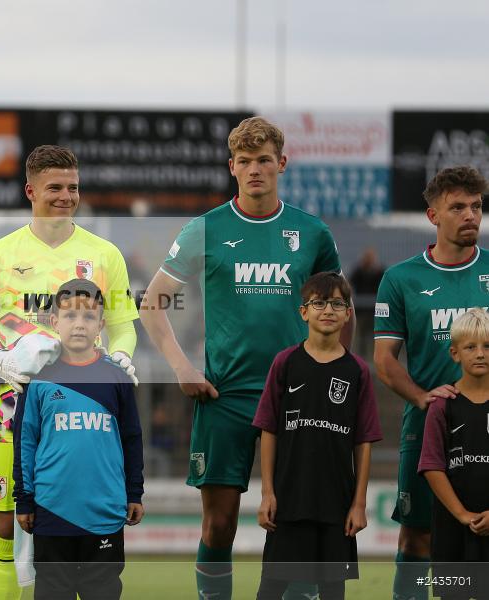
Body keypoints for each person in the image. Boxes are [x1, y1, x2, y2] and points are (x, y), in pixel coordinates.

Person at [139, 116, 351, 600]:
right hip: (226, 395)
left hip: (299, 396)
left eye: (264, 160)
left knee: (295, 524)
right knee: (218, 525)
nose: (255, 169)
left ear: (282, 163)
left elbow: (340, 307)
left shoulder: (311, 232)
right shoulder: (205, 228)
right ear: (231, 167)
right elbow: (152, 303)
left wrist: (339, 372)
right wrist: (182, 368)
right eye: (245, 161)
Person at [0, 145, 139, 600]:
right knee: (6, 524)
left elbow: (123, 330)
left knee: (79, 525)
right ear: (31, 190)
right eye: (54, 187)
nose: (65, 195)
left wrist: (119, 359)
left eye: (73, 187)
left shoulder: (105, 255)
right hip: (12, 410)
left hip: (84, 417)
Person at [373, 165, 489, 600]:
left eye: (476, 206)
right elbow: (384, 360)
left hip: (486, 428)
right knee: (418, 539)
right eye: (457, 207)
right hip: (427, 430)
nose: (470, 215)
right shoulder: (401, 279)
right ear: (433, 215)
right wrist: (422, 397)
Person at [253, 272, 381, 600]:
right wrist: (268, 493)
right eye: (319, 303)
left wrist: (359, 503)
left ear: (349, 313)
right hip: (289, 500)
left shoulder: (358, 371)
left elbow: (363, 441)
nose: (328, 310)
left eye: (338, 303)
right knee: (270, 589)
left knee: (332, 592)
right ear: (304, 312)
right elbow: (269, 431)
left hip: (336, 505)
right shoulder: (285, 363)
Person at [13, 279, 143, 600]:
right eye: (70, 316)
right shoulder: (38, 379)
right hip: (51, 510)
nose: (79, 325)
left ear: (101, 324)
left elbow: (131, 438)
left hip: (105, 512)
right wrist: (24, 499)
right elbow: (25, 443)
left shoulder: (117, 377)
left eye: (88, 317)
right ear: (55, 322)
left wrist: (134, 492)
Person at [418, 308, 489, 600]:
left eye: (487, 346)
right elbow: (432, 465)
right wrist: (462, 515)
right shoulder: (442, 405)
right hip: (453, 528)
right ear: (455, 353)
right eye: (471, 347)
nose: (480, 354)